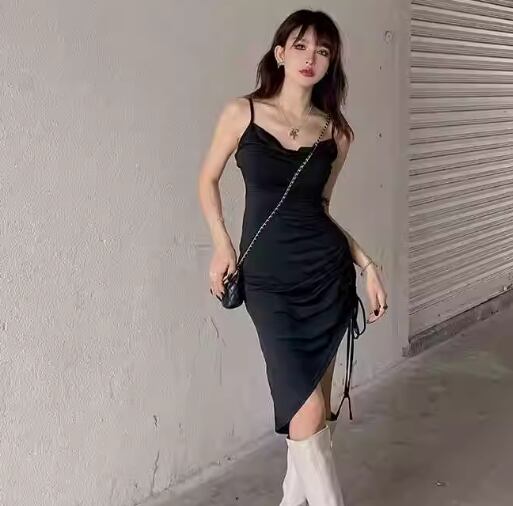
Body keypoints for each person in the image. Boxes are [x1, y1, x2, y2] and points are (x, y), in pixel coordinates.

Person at [197, 9, 387, 506]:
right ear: (280, 53)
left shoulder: (335, 134)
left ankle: (291, 500)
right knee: (305, 412)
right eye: (300, 46)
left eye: (323, 51)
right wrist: (222, 243)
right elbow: (207, 180)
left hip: (326, 277)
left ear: (331, 63)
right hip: (269, 283)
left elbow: (319, 211)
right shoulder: (242, 113)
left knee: (317, 413)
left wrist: (367, 265)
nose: (310, 58)